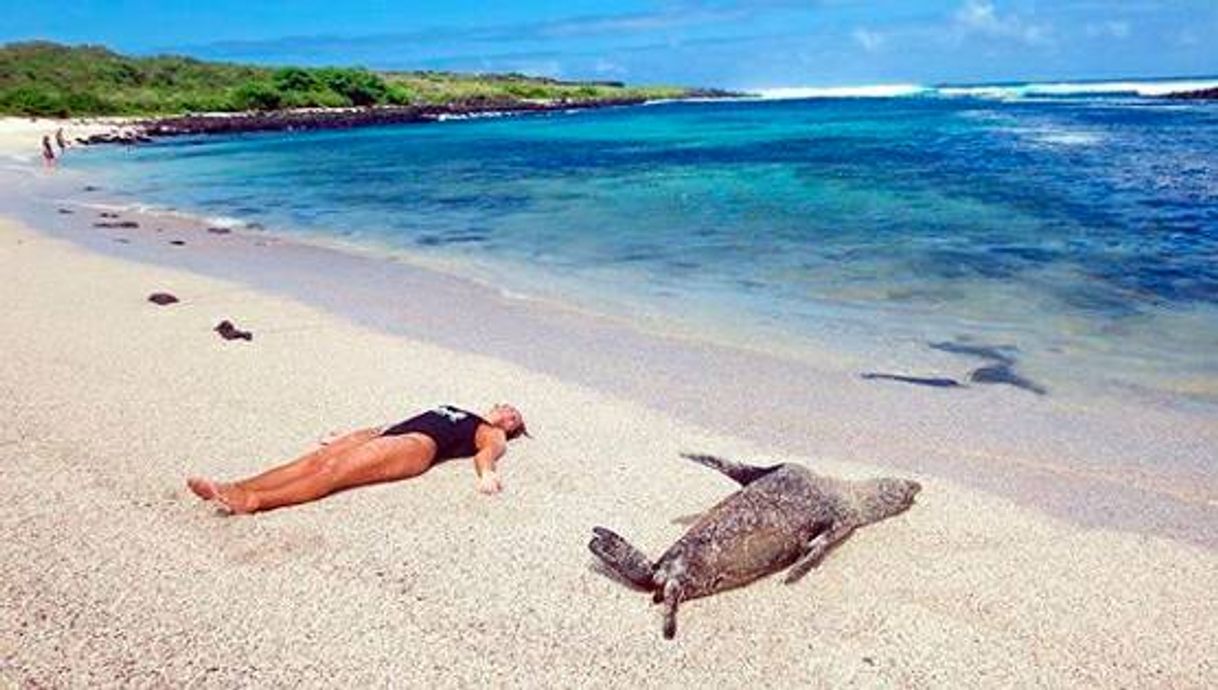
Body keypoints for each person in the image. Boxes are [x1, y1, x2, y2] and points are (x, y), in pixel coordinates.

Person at [187, 403, 528, 514]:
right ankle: (235, 486)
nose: (509, 415)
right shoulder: (458, 408)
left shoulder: (490, 432)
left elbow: (488, 454)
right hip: (390, 433)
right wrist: (351, 434)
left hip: (418, 446)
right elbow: (401, 421)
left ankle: (253, 500)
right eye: (508, 408)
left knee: (333, 471)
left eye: (515, 420)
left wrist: (487, 475)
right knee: (312, 461)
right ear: (495, 403)